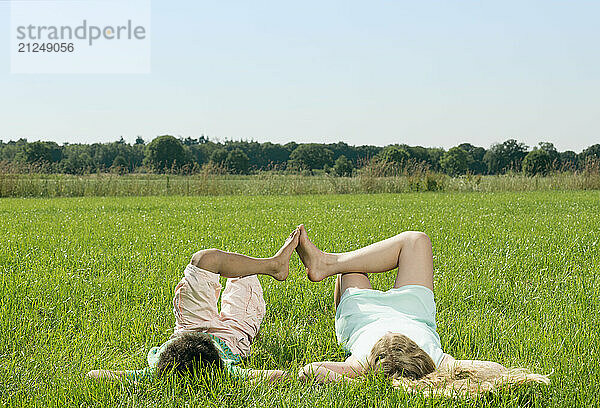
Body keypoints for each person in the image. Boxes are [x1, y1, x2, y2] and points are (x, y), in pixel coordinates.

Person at [295, 225, 549, 397]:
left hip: (362, 315)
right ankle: (326, 262)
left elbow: (310, 370)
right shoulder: (440, 364)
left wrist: (372, 384)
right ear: (420, 355)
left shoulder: (360, 367)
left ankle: (329, 264)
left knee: (352, 271)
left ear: (374, 363)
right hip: (413, 311)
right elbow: (494, 368)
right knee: (416, 240)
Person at [86, 227, 301, 383]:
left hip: (189, 328)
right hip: (231, 337)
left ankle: (274, 265)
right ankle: (272, 267)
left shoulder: (160, 366)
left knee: (204, 260)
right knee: (245, 277)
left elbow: (94, 375)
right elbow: (279, 376)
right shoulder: (223, 369)